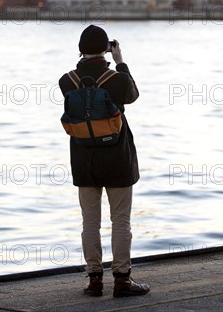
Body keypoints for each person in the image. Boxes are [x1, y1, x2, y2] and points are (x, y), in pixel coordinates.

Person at [59, 24, 149, 298]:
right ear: (106, 49)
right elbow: (132, 95)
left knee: (90, 222)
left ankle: (94, 280)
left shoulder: (67, 81)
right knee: (120, 221)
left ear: (79, 50)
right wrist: (120, 61)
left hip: (83, 159)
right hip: (117, 159)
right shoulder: (116, 79)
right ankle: (122, 281)